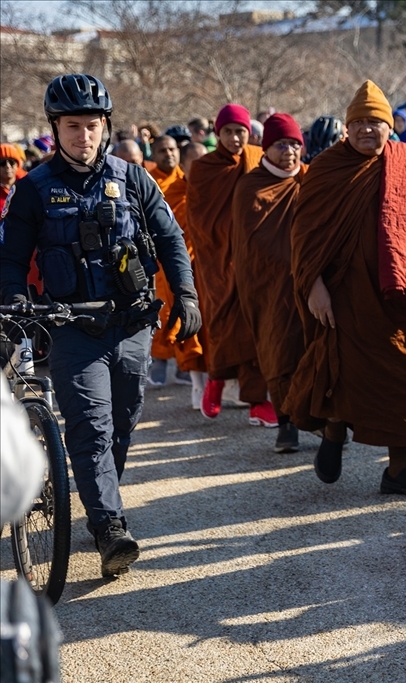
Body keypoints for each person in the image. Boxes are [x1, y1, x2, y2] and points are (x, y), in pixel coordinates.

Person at [0, 74, 201, 577]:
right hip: (71, 329)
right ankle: (111, 527)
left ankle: (101, 506)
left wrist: (187, 294)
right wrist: (18, 301)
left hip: (132, 325)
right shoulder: (33, 190)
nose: (82, 135)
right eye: (72, 126)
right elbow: (11, 258)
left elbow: (171, 239)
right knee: (90, 430)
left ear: (105, 126)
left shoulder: (134, 179)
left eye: (91, 125)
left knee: (121, 425)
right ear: (56, 128)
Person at [284, 81, 406, 497]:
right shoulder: (328, 170)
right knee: (344, 372)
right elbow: (304, 236)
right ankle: (334, 430)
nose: (369, 130)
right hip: (343, 292)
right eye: (360, 123)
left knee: (403, 377)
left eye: (377, 122)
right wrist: (313, 285)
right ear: (347, 129)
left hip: (399, 292)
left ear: (391, 126)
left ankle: (398, 470)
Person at [186, 104, 276, 427]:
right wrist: (227, 238)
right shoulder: (204, 168)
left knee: (256, 327)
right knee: (224, 321)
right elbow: (198, 217)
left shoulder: (258, 159)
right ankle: (217, 379)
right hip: (218, 258)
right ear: (217, 134)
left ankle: (256, 401)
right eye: (228, 132)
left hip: (253, 257)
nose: (236, 138)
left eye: (241, 132)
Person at [231, 114, 307, 454]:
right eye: (281, 144)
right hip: (270, 287)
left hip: (312, 282)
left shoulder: (311, 178)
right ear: (266, 148)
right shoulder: (252, 186)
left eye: (294, 144)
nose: (289, 151)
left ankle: (323, 420)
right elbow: (252, 244)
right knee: (279, 350)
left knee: (316, 350)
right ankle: (287, 424)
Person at [148, 135, 205, 408]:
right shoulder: (149, 183)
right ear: (154, 154)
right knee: (164, 311)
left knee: (190, 314)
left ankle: (188, 368)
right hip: (161, 263)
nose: (167, 154)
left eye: (172, 149)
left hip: (195, 260)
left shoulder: (190, 183)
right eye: (162, 150)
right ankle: (160, 361)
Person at [0, 143, 27, 217]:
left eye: (11, 162)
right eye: (2, 163)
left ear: (17, 165)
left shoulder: (28, 185)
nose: (8, 166)